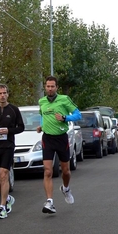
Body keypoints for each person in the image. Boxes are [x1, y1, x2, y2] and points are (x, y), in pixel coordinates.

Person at [37, 76, 82, 214]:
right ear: (45, 87)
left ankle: (65, 188)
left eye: (52, 86)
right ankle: (50, 201)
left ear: (57, 87)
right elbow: (42, 115)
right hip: (47, 139)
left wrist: (65, 118)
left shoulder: (64, 100)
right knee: (48, 171)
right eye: (48, 86)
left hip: (61, 138)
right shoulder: (42, 101)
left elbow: (78, 115)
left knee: (66, 171)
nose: (50, 89)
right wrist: (41, 125)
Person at [0, 84, 24, 219]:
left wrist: (9, 131)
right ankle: (7, 198)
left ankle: (2, 207)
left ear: (8, 94)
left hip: (8, 146)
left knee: (3, 174)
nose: (2, 96)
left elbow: (21, 127)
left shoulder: (13, 110)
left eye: (4, 93)